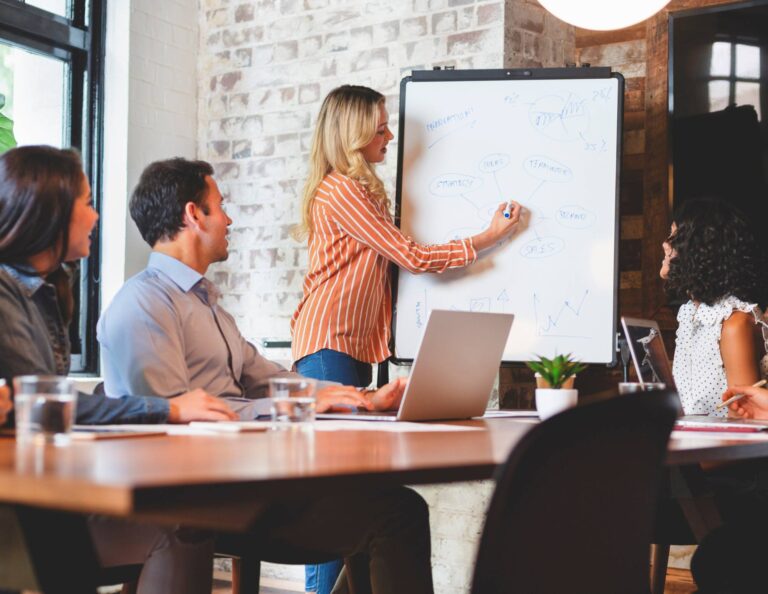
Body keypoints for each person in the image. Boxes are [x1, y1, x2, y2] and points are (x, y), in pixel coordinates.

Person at [97, 157, 434, 594]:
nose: (229, 218)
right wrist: (297, 406)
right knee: (393, 511)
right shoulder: (143, 305)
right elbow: (174, 422)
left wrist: (359, 398)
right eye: (220, 206)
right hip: (198, 502)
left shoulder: (205, 305)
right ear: (192, 215)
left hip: (240, 488)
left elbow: (264, 375)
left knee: (397, 508)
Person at [290, 85, 521, 591]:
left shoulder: (351, 189)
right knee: (337, 503)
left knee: (351, 502)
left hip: (342, 347)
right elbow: (412, 257)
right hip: (330, 346)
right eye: (379, 128)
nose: (389, 136)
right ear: (353, 135)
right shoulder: (344, 191)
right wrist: (488, 237)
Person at [0, 145, 238, 594]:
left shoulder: (47, 291)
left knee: (186, 525)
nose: (95, 217)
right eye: (86, 205)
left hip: (45, 499)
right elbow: (42, 402)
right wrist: (166, 410)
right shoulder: (6, 294)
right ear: (50, 213)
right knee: (180, 527)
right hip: (19, 512)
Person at [660, 197, 768, 417]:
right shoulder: (692, 315)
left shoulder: (734, 324)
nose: (665, 243)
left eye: (674, 236)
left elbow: (743, 423)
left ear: (700, 249)